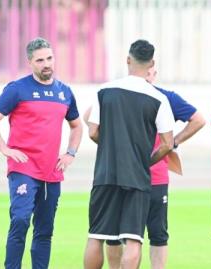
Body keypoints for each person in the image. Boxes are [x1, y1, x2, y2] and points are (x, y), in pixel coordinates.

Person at [0, 37, 83, 269]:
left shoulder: (64, 92)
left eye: (49, 58)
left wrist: (70, 153)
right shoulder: (17, 89)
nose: (46, 64)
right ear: (30, 63)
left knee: (45, 230)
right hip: (23, 168)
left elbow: (77, 125)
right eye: (40, 60)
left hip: (51, 171)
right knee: (20, 220)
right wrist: (5, 148)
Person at [83, 39, 174, 269]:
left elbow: (93, 131)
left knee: (96, 235)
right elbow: (167, 144)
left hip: (105, 173)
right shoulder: (159, 98)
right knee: (133, 239)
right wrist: (144, 160)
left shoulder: (104, 91)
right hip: (137, 176)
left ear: (128, 60)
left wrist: (111, 147)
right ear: (152, 63)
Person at [104, 67, 206, 269]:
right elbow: (91, 116)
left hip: (154, 176)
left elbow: (199, 119)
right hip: (125, 175)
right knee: (116, 235)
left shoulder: (165, 97)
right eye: (145, 71)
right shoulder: (121, 94)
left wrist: (173, 143)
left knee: (157, 234)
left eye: (150, 72)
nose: (147, 76)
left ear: (154, 73)